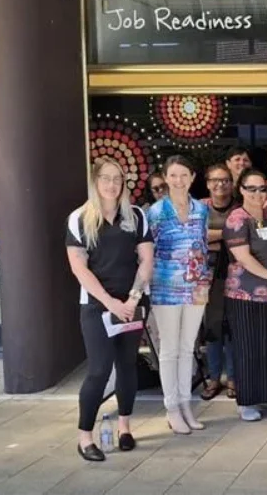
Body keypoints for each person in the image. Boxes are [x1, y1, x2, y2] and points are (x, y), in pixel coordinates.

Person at [66, 158, 153, 462]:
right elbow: (79, 268)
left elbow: (146, 261)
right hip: (96, 306)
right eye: (106, 178)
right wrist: (110, 302)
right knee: (100, 369)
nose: (112, 184)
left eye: (118, 178)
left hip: (132, 303)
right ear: (95, 181)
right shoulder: (79, 219)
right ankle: (85, 437)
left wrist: (131, 299)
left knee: (127, 366)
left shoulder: (137, 216)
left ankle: (125, 428)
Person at [147, 155, 210, 435]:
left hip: (197, 285)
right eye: (173, 175)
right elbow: (147, 252)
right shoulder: (157, 212)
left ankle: (186, 404)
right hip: (165, 285)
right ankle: (171, 407)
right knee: (169, 350)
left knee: (188, 348)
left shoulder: (201, 209)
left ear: (192, 177)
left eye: (184, 175)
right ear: (165, 178)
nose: (178, 180)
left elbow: (204, 243)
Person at [223, 169, 267, 421]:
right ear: (241, 190)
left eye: (262, 188)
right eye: (251, 188)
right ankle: (248, 401)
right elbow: (243, 257)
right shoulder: (237, 219)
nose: (257, 193)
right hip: (245, 294)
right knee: (249, 347)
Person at [200, 164, 237, 401]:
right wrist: (226, 233)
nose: (220, 184)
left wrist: (212, 235)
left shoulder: (239, 208)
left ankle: (233, 378)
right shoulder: (200, 208)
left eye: (225, 180)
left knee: (232, 327)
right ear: (207, 183)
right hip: (205, 275)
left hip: (235, 273)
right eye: (215, 180)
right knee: (212, 327)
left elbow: (245, 234)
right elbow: (195, 236)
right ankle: (214, 378)